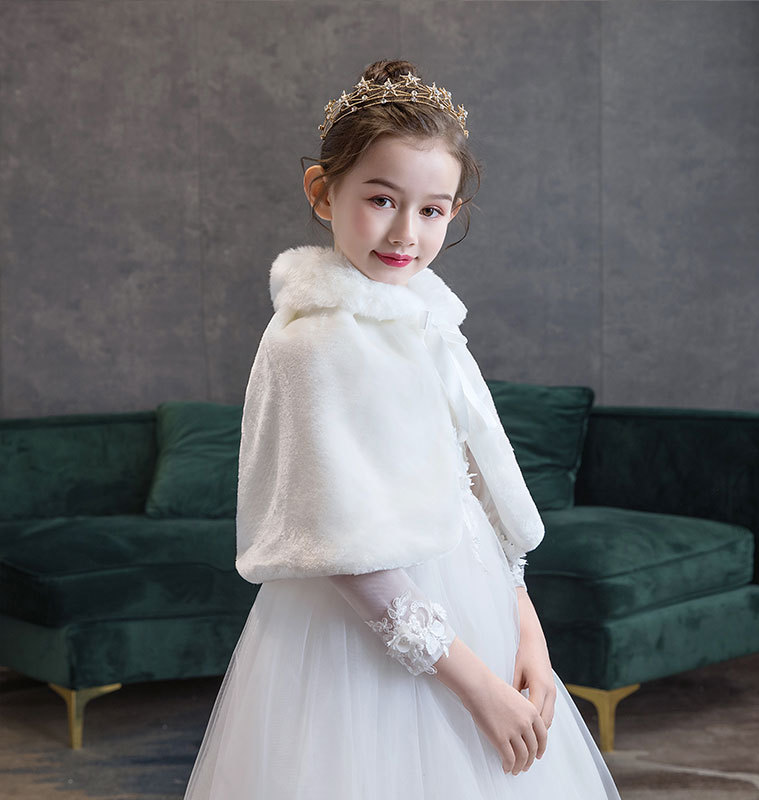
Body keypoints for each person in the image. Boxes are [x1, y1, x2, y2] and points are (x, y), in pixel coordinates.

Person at [183, 59, 621, 799]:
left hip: (474, 603)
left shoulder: (426, 321)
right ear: (323, 192)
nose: (404, 233)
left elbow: (478, 486)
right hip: (366, 636)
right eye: (381, 199)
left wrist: (526, 629)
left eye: (432, 210)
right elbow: (346, 549)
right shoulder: (311, 343)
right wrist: (477, 687)